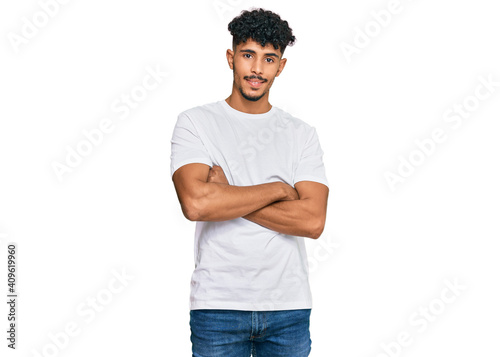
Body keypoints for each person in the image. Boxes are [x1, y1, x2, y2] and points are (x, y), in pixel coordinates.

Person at [170, 8, 329, 357]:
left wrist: (226, 195)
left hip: (288, 306)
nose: (257, 69)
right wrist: (279, 191)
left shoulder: (301, 135)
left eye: (269, 58)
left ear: (281, 67)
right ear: (231, 58)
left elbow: (313, 221)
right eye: (248, 55)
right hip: (218, 306)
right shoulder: (196, 123)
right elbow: (196, 204)